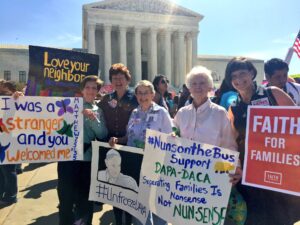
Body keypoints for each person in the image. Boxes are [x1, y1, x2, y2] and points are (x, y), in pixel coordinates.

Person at [225, 57, 299, 225]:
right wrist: (236, 167)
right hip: (250, 175)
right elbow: (233, 141)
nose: (238, 79)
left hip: (278, 172)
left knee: (280, 218)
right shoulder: (234, 107)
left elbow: (297, 124)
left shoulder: (272, 93)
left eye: (242, 73)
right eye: (233, 76)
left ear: (252, 73)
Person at [173, 66, 244, 225]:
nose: (198, 86)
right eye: (194, 83)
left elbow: (229, 145)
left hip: (210, 178)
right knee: (185, 217)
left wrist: (235, 168)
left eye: (202, 83)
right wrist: (171, 136)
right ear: (189, 87)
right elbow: (173, 132)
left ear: (210, 87)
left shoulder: (219, 113)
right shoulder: (182, 113)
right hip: (185, 176)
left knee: (207, 219)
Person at [110, 80, 173, 225]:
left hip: (155, 165)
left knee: (156, 204)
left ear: (152, 94)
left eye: (146, 93)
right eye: (139, 93)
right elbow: (129, 136)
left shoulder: (161, 112)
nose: (142, 96)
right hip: (135, 164)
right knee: (139, 204)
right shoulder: (134, 112)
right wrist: (118, 140)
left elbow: (170, 138)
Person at [57, 75, 107, 225]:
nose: (91, 91)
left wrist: (93, 120)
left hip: (86, 160)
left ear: (97, 91)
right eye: (88, 87)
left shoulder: (99, 110)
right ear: (82, 89)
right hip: (67, 159)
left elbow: (102, 134)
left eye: (94, 88)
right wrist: (18, 99)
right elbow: (50, 119)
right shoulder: (68, 105)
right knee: (65, 198)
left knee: (85, 200)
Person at [98, 63, 138, 225]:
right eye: (115, 78)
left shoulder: (135, 98)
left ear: (127, 80)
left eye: (121, 78)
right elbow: (94, 110)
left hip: (129, 147)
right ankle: (118, 220)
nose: (118, 81)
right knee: (114, 188)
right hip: (111, 147)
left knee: (128, 186)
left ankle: (128, 221)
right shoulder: (107, 99)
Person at [0, 80, 18, 206]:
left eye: (5, 91)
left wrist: (17, 98)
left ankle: (11, 196)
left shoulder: (15, 100)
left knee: (8, 169)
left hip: (9, 139)